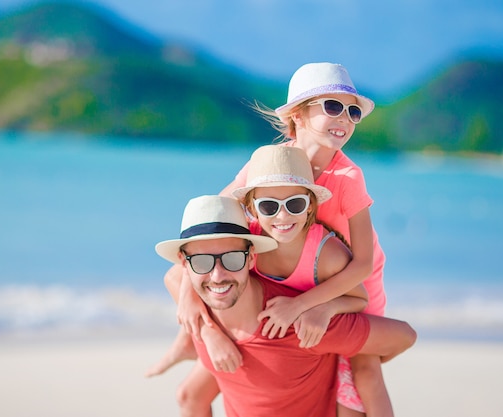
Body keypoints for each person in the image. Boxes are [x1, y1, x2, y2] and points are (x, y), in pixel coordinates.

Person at [219, 62, 390, 416]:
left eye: (352, 111)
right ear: (297, 114)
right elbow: (217, 216)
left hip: (354, 281)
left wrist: (308, 306)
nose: (344, 118)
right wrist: (191, 305)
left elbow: (363, 263)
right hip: (302, 274)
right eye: (332, 106)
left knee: (365, 369)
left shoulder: (348, 176)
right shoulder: (273, 163)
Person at [147, 146, 371, 416]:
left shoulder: (325, 253)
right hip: (245, 322)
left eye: (295, 204)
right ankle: (185, 343)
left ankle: (187, 343)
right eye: (268, 206)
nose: (282, 215)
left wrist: (315, 307)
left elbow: (361, 298)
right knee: (188, 394)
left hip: (311, 307)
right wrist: (206, 331)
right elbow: (184, 271)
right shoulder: (247, 236)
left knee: (365, 381)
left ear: (310, 204)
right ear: (253, 208)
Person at [154, 195, 416, 417]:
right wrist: (207, 330)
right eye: (201, 262)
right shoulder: (197, 313)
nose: (217, 276)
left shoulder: (298, 325)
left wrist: (338, 328)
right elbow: (190, 397)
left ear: (251, 258)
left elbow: (404, 336)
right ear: (184, 264)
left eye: (232, 259)